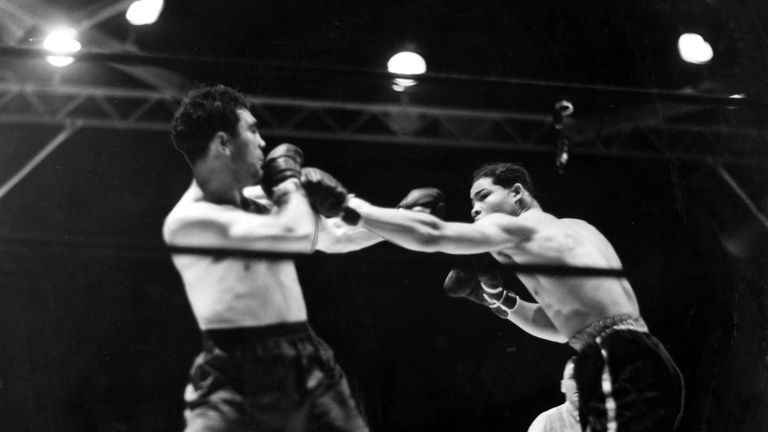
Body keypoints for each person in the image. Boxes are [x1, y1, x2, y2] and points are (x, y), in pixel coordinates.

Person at [344, 162, 685, 432]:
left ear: (517, 193)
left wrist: (351, 207)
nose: (475, 209)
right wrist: (504, 300)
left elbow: (435, 235)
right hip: (645, 358)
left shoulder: (520, 229)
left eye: (483, 196)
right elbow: (569, 326)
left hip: (617, 361)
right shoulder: (579, 229)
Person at [163, 84, 382, 432]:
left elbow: (335, 238)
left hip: (308, 358)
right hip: (236, 371)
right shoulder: (189, 221)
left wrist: (396, 221)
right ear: (223, 143)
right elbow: (291, 236)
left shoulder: (262, 201)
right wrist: (288, 182)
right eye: (252, 129)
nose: (263, 142)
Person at [527, 357, 580, 432]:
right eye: (572, 377)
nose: (579, 383)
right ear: (562, 386)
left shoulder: (601, 420)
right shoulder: (546, 421)